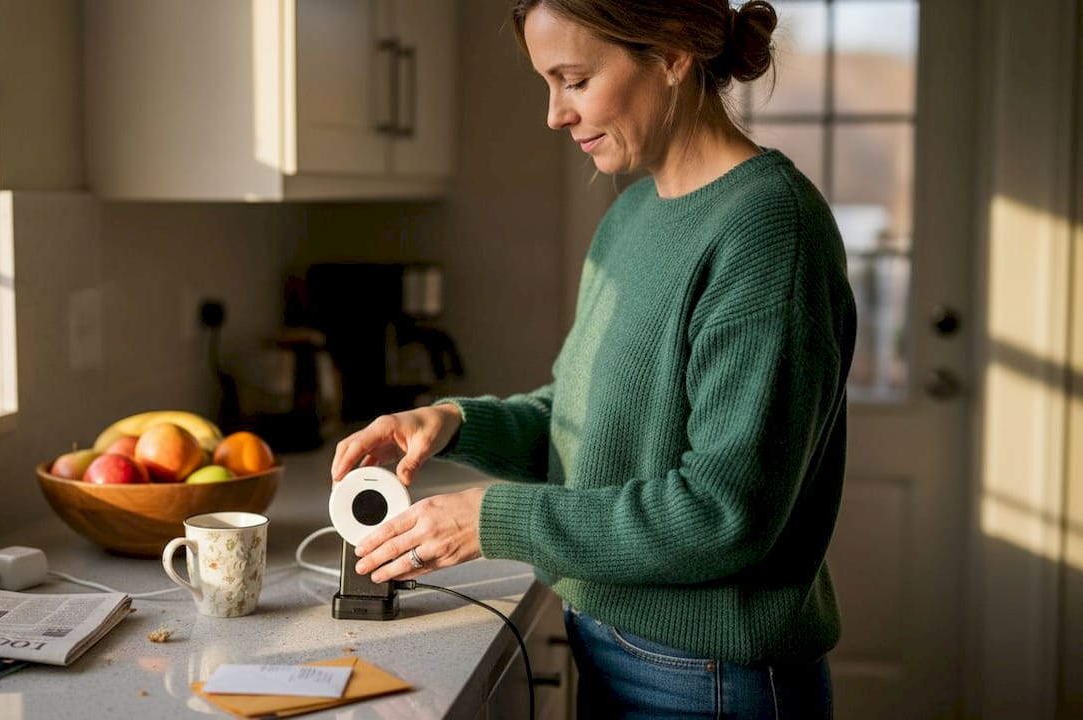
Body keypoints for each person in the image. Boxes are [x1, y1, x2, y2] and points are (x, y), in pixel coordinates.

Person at [330, 0, 856, 717]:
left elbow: (721, 514)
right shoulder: (631, 215)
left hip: (708, 678)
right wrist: (452, 421)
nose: (554, 114)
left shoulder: (768, 229)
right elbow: (587, 421)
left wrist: (493, 519)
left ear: (671, 53)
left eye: (574, 80)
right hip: (611, 644)